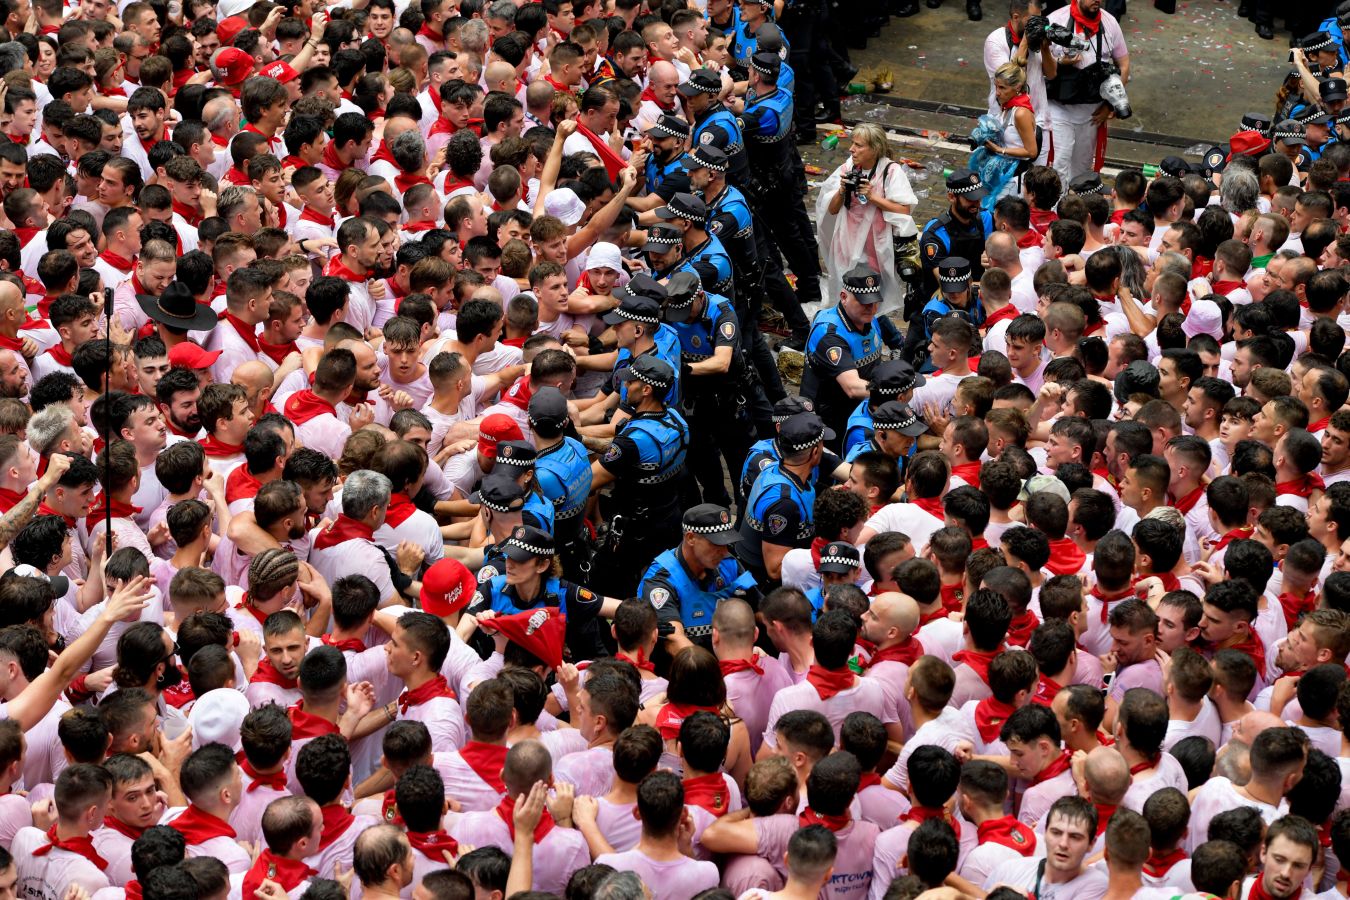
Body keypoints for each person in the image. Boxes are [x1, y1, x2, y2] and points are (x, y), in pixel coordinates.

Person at [815, 123, 918, 316]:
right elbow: (832, 209)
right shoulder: (848, 167)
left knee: (870, 298)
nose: (852, 149)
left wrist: (873, 197)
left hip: (876, 247)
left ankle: (883, 335)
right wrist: (841, 190)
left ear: (875, 148)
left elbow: (905, 210)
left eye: (858, 145)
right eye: (853, 143)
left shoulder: (891, 171)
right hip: (846, 243)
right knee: (847, 295)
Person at [801, 266, 903, 446]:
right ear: (844, 297)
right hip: (830, 417)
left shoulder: (872, 316)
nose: (871, 308)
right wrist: (895, 392)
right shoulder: (830, 334)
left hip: (863, 406)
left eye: (874, 301)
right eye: (863, 302)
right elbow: (852, 387)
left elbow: (899, 343)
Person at [1044, 0, 1130, 185]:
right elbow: (1040, 65)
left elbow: (1124, 64)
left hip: (1092, 112)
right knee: (1059, 165)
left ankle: (1076, 210)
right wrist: (1060, 62)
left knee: (1082, 170)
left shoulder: (1110, 23)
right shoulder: (1055, 20)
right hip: (1060, 109)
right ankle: (1054, 210)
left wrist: (1110, 105)